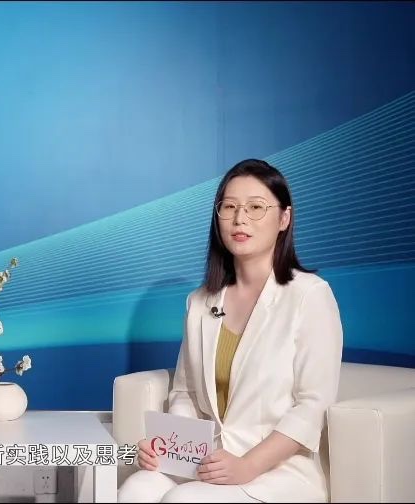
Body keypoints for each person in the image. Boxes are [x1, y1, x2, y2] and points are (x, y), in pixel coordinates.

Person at [117, 159, 343, 502]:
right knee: (136, 489)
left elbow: (314, 405)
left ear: (284, 218)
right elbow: (186, 393)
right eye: (229, 207)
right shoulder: (200, 302)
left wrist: (249, 465)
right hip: (210, 461)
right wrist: (172, 449)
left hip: (277, 471)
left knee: (184, 500)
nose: (240, 219)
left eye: (256, 207)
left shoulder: (309, 295)